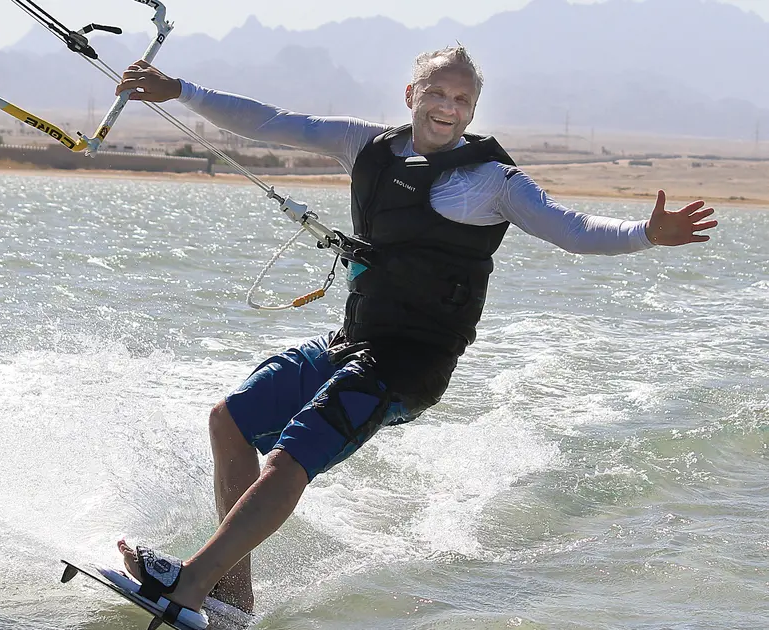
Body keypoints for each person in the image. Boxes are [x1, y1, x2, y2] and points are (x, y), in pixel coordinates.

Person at [112, 46, 717, 621]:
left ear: (473, 109)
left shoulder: (493, 181)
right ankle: (232, 602)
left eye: (461, 98)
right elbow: (271, 122)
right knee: (231, 418)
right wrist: (181, 91)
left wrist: (645, 232)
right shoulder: (364, 145)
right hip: (353, 339)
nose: (447, 107)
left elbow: (576, 229)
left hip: (410, 363)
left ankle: (189, 583)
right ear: (411, 93)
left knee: (293, 454)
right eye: (436, 91)